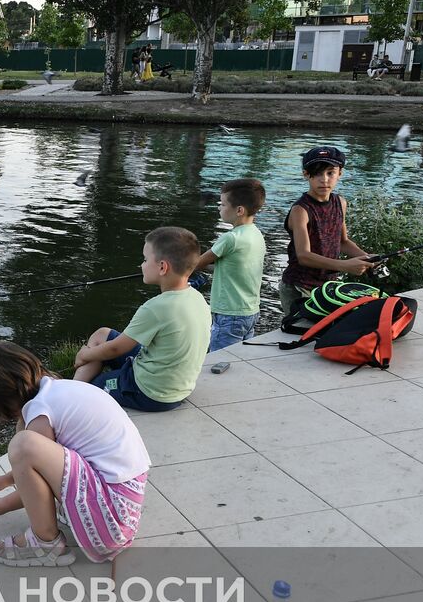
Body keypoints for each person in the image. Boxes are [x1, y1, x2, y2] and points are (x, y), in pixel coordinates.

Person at [0, 341, 150, 566]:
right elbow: (47, 463)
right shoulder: (57, 390)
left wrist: (2, 505)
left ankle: (44, 544)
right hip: (125, 511)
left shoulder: (41, 411)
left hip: (111, 521)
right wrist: (6, 479)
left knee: (23, 445)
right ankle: (68, 524)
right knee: (28, 445)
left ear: (0, 400)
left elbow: (32, 462)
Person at [72, 226, 210, 411]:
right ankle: (73, 388)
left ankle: (71, 395)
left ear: (162, 267)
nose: (141, 265)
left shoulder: (156, 308)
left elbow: (115, 348)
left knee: (93, 385)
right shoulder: (196, 297)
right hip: (179, 386)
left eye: (145, 260)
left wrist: (84, 354)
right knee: (102, 334)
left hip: (151, 393)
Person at [279, 145, 375, 321]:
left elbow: (342, 242)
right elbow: (303, 256)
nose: (324, 179)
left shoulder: (340, 203)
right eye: (317, 174)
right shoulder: (301, 210)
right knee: (301, 335)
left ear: (340, 173)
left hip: (328, 286)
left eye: (330, 172)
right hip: (299, 287)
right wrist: (345, 265)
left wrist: (367, 258)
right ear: (306, 175)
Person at [193, 178, 267, 351]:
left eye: (223, 204)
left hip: (229, 314)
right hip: (250, 312)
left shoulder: (230, 238)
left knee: (217, 361)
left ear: (239, 210)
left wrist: (168, 267)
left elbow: (196, 263)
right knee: (239, 359)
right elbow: (229, 267)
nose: (220, 207)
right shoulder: (256, 234)